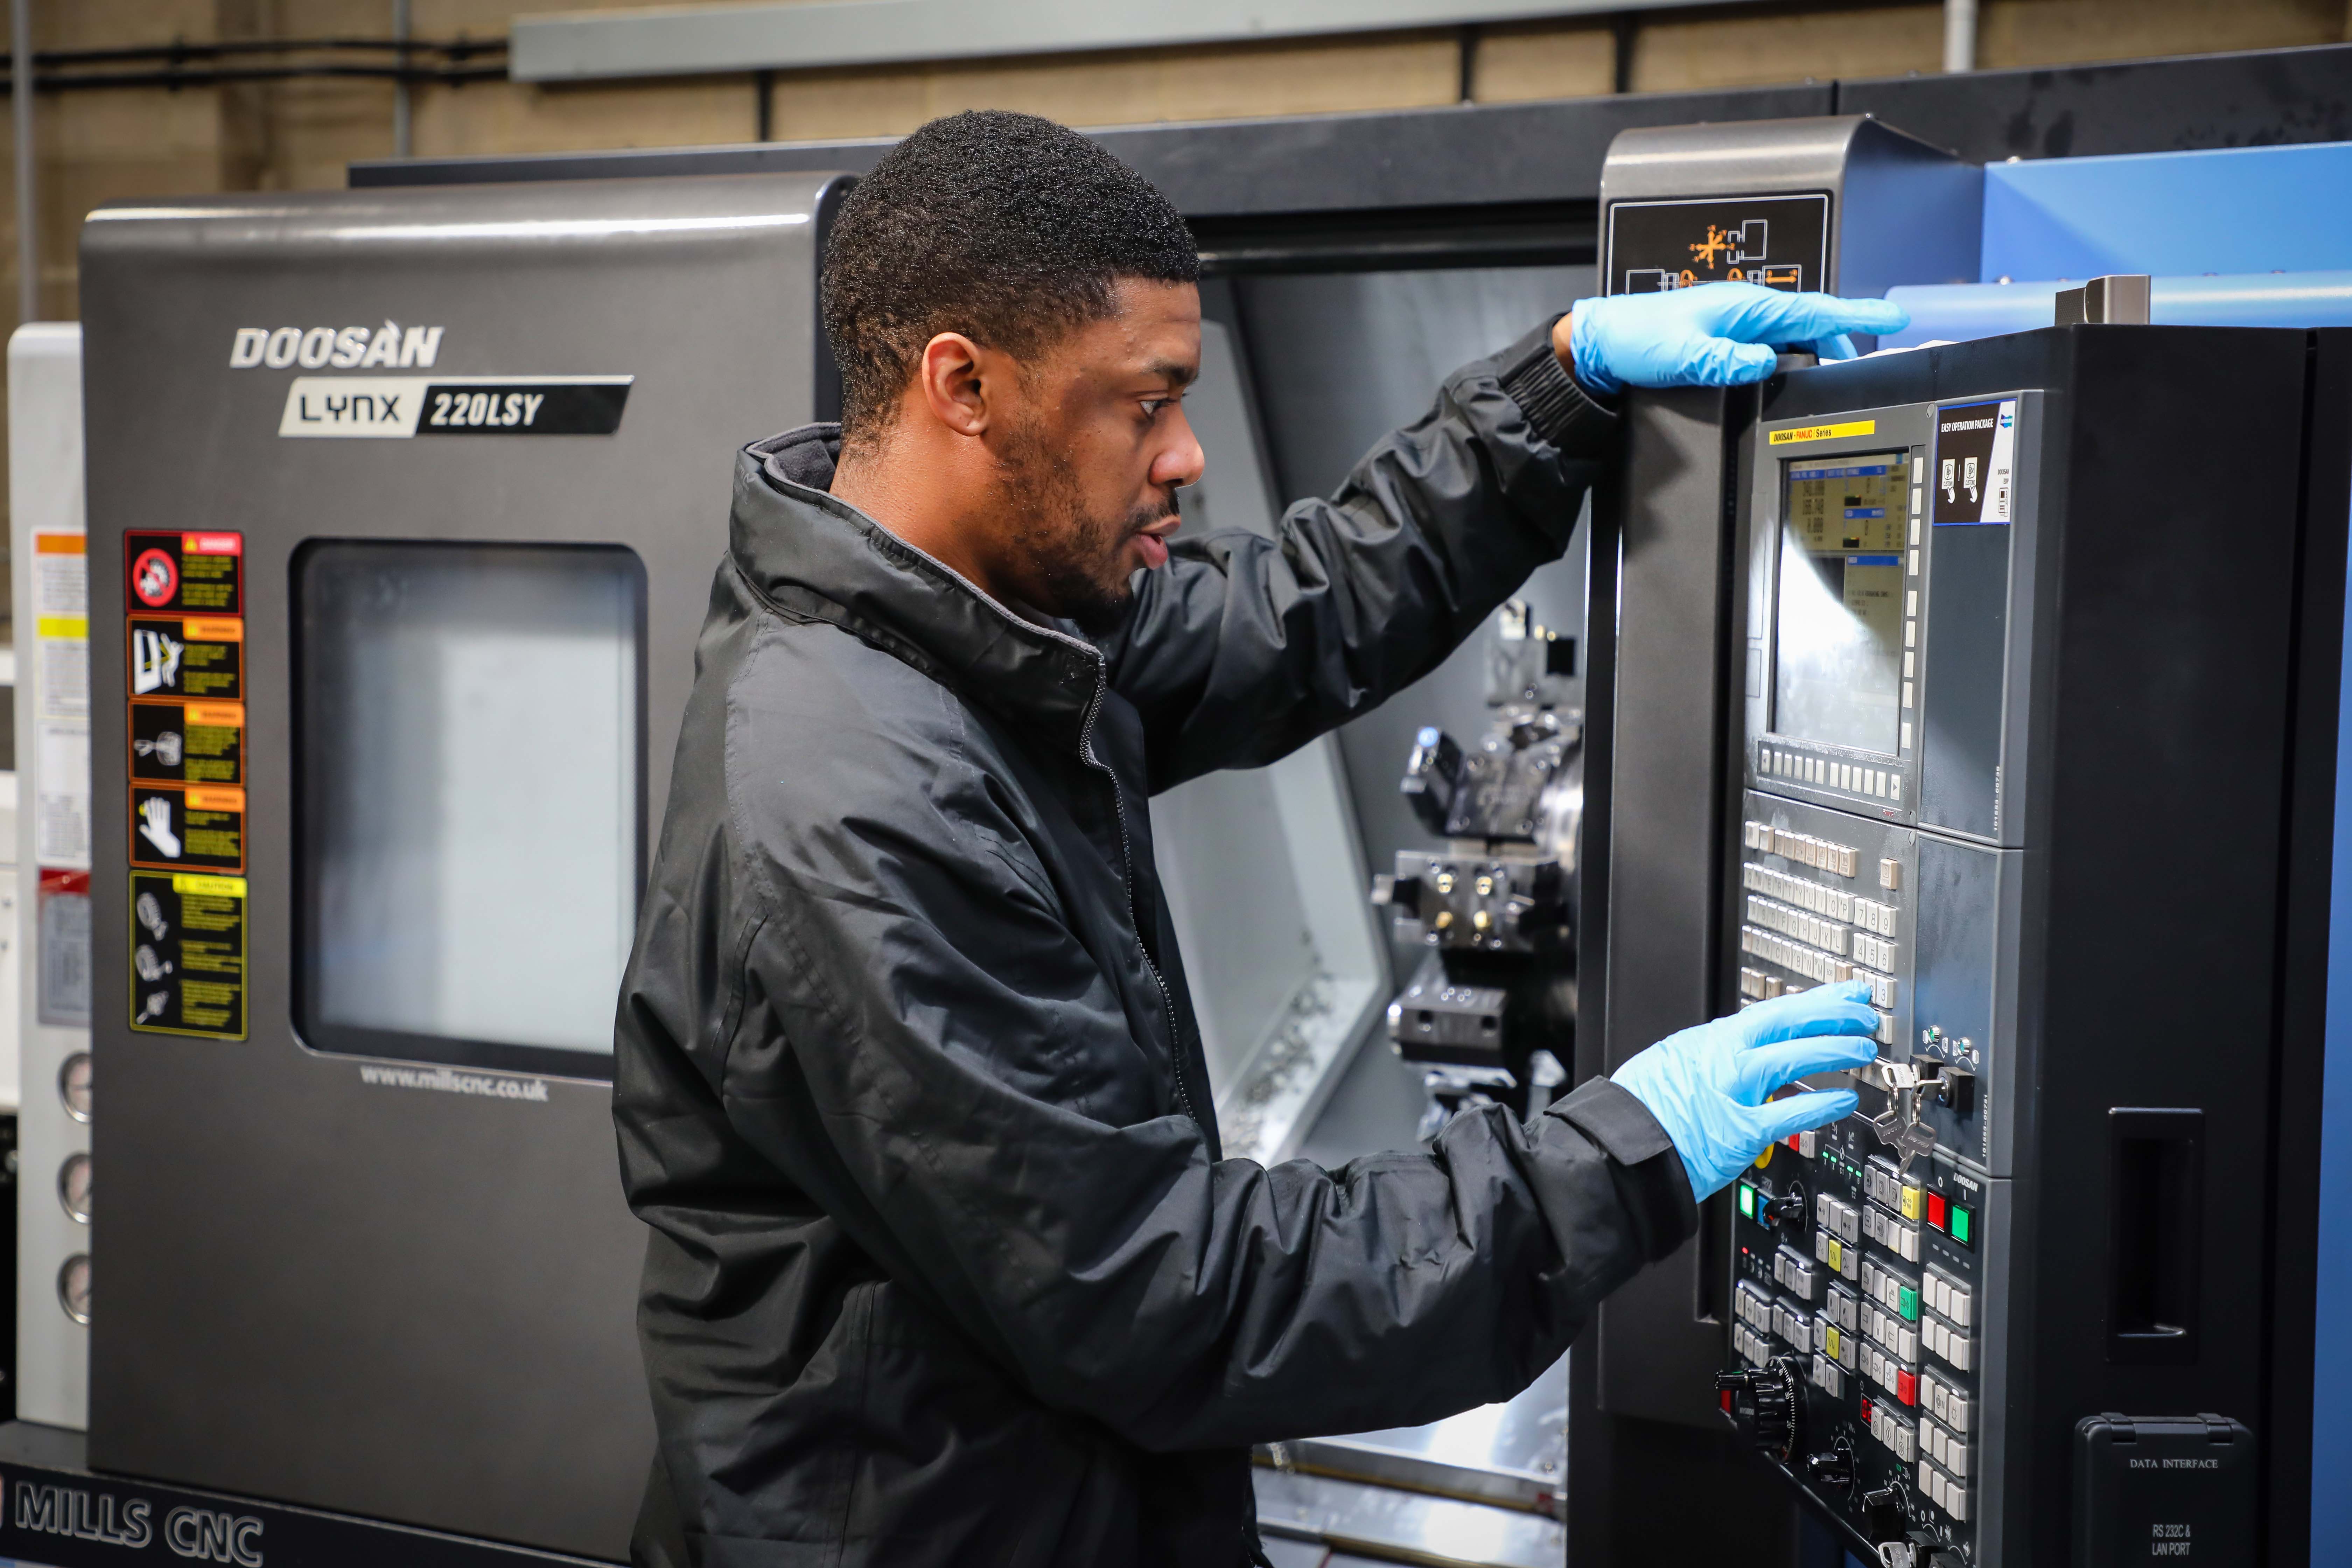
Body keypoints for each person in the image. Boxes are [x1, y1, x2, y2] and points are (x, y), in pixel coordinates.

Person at [614, 109, 1908, 1568]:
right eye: (1146, 402)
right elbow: (1162, 1296)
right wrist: (1624, 1156)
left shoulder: (987, 627)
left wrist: (1555, 393)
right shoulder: (853, 795)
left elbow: (1287, 616)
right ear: (964, 385)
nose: (1185, 456)